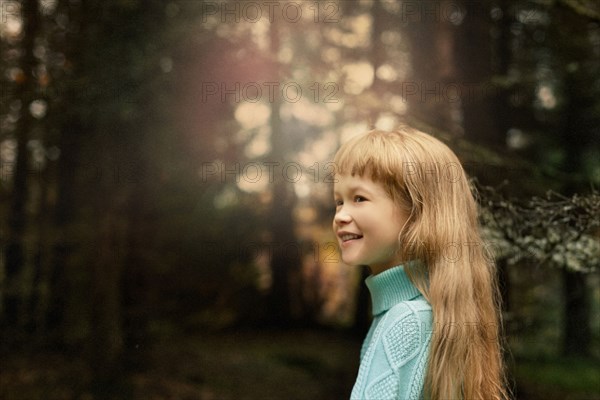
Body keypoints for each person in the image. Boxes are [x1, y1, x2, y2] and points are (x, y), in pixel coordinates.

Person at [332, 127, 510, 400]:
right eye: (338, 201)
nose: (341, 215)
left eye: (359, 198)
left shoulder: (407, 320)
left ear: (417, 213)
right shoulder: (420, 312)